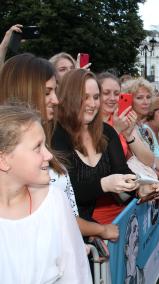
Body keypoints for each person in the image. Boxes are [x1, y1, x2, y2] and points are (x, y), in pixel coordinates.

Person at [0, 53, 119, 240]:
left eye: (55, 91)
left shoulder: (47, 136)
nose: (56, 100)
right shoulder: (21, 148)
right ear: (25, 91)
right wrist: (100, 230)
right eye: (48, 92)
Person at [0, 105, 92, 283]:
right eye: (37, 147)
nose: (49, 155)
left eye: (45, 145)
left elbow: (77, 274)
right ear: (3, 160)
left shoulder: (54, 202)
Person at [51, 69, 140, 225]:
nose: (92, 104)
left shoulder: (107, 132)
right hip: (61, 226)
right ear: (68, 97)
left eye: (96, 97)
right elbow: (68, 192)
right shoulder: (55, 135)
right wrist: (105, 184)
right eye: (84, 97)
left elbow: (122, 171)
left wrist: (139, 188)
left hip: (88, 226)